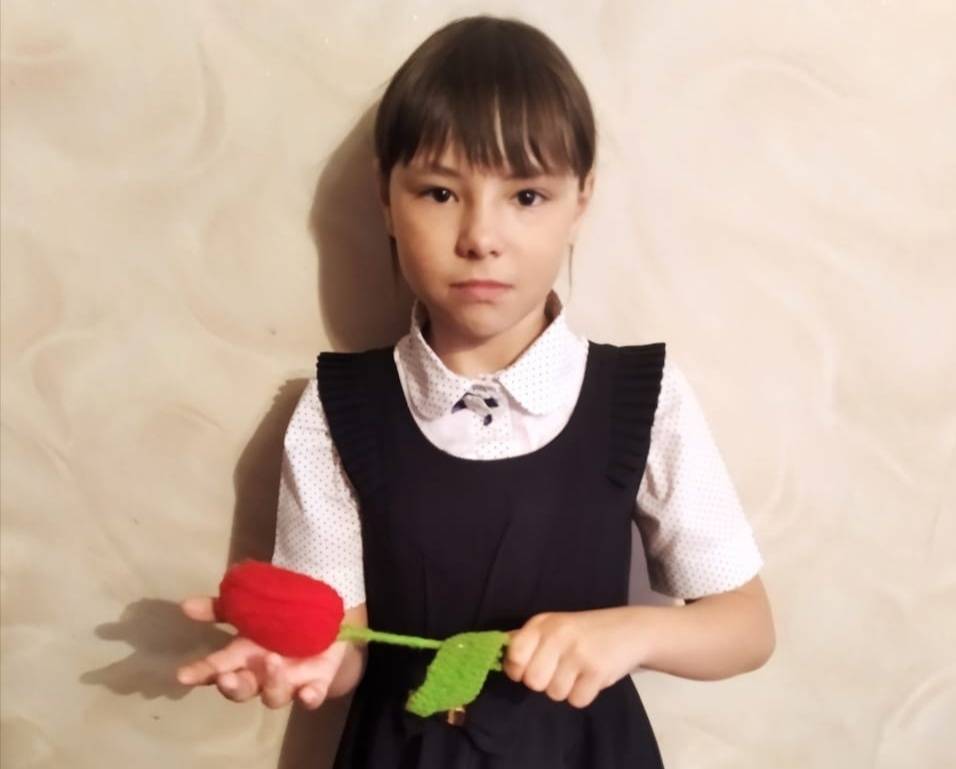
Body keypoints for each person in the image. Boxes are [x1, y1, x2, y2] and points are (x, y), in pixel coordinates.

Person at [176, 13, 775, 767]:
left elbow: (747, 626)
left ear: (581, 200)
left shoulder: (643, 398)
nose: (481, 237)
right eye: (439, 192)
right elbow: (345, 644)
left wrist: (633, 632)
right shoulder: (338, 410)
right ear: (386, 197)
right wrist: (307, 659)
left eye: (526, 196)